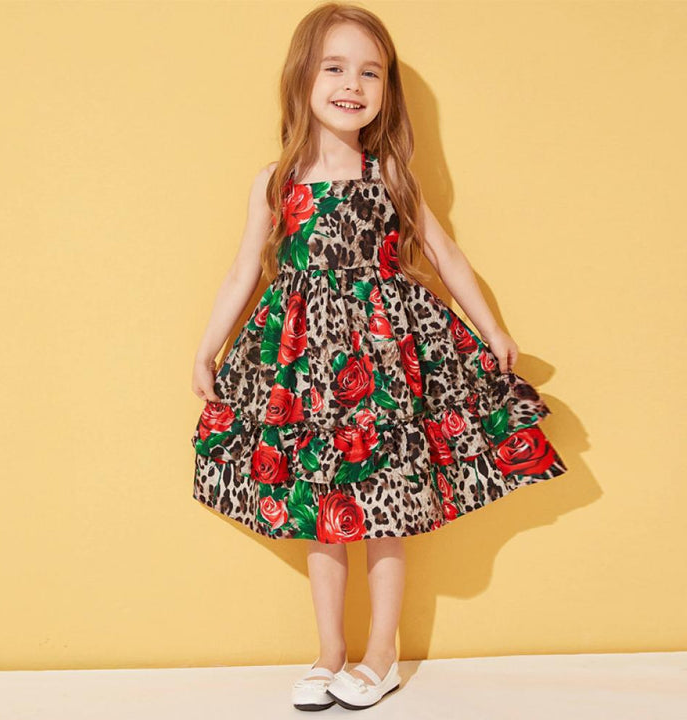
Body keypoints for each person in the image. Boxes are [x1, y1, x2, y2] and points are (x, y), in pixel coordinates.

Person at [190, 2, 568, 711]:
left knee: (385, 503)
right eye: (334, 68)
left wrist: (491, 327)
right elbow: (243, 272)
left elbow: (444, 253)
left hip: (385, 363)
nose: (352, 85)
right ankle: (329, 652)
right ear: (302, 78)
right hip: (304, 370)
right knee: (320, 508)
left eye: (371, 72)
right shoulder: (275, 182)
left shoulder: (389, 171)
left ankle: (381, 655)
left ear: (385, 88)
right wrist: (207, 347)